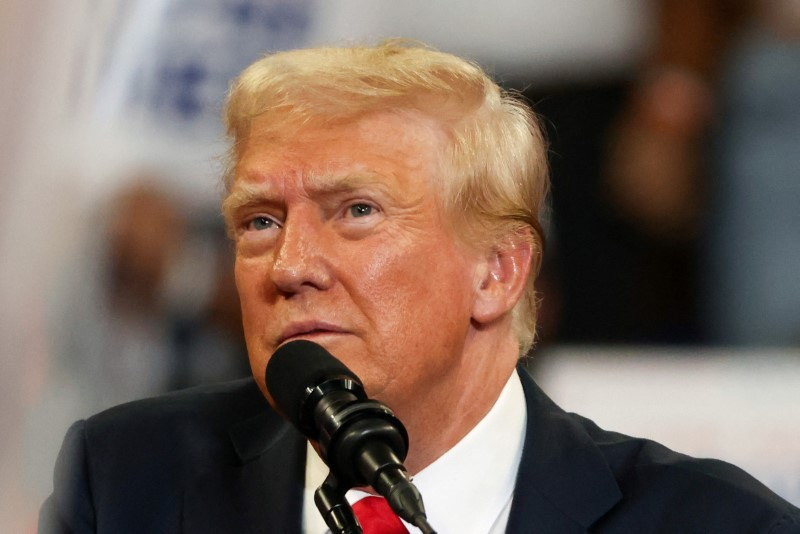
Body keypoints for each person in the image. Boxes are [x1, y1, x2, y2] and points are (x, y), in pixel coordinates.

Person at [39, 41, 799, 533]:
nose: (291, 264)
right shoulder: (125, 481)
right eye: (260, 222)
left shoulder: (716, 524)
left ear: (498, 271)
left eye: (356, 212)